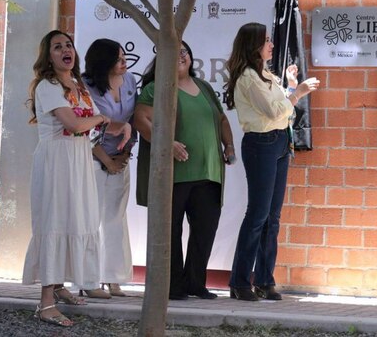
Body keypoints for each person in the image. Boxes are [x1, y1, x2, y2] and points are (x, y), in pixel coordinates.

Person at [21, 30, 125, 327]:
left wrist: (121, 126)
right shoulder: (48, 86)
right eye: (57, 47)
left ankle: (59, 285)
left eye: (68, 45)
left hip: (78, 161)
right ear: (48, 56)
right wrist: (101, 119)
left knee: (75, 220)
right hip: (56, 162)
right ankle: (45, 304)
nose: (66, 50)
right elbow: (75, 124)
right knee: (54, 222)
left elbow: (95, 125)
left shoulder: (79, 86)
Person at [225, 23, 320, 301]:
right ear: (253, 45)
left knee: (272, 217)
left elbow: (283, 111)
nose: (271, 44)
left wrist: (290, 86)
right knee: (257, 215)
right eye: (266, 40)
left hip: (279, 142)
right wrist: (298, 93)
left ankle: (265, 280)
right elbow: (272, 112)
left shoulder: (265, 74)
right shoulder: (247, 77)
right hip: (261, 144)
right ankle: (240, 281)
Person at [134, 40, 234, 301]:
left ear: (191, 57)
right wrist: (166, 143)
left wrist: (229, 146)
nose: (180, 56)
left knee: (204, 231)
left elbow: (222, 119)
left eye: (184, 51)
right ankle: (172, 286)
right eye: (174, 51)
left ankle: (195, 283)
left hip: (209, 172)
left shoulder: (204, 87)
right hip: (173, 175)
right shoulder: (157, 88)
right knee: (170, 232)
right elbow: (141, 120)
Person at [80, 39, 136, 299]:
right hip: (92, 157)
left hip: (120, 157)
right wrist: (107, 160)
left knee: (116, 217)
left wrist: (124, 155)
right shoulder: (85, 86)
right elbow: (86, 128)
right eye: (118, 59)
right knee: (91, 219)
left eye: (124, 57)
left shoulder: (130, 80)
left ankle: (114, 278)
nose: (124, 62)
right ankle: (87, 277)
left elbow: (133, 120)